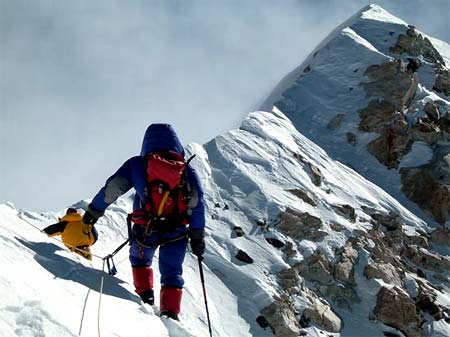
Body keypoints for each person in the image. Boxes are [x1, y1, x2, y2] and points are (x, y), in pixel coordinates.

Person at [82, 124, 205, 320]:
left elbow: (113, 188)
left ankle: (144, 300)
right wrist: (197, 235)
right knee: (172, 271)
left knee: (140, 260)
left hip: (146, 228)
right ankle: (170, 314)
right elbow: (197, 203)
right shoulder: (186, 169)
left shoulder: (138, 164)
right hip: (177, 229)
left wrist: (94, 211)